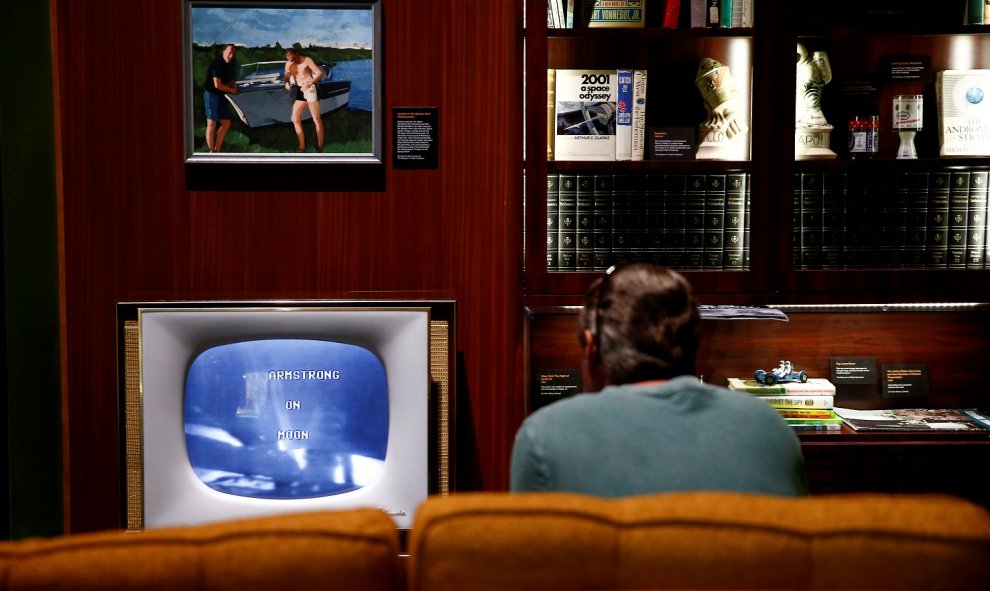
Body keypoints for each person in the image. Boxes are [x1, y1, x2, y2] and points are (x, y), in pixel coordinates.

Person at [510, 263, 808, 497]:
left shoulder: (544, 437)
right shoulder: (770, 429)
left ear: (591, 346)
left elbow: (536, 567)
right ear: (693, 342)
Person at [283, 48, 325, 152]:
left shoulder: (307, 60)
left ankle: (320, 145)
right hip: (300, 90)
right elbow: (287, 76)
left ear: (297, 54)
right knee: (295, 119)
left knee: (316, 119)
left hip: (310, 89)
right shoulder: (288, 64)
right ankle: (302, 146)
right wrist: (286, 83)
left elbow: (320, 73)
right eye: (290, 60)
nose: (292, 61)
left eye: (294, 59)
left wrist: (309, 83)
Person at [203, 44, 240, 153]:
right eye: (229, 52)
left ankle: (217, 150)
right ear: (224, 52)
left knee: (226, 123)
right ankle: (211, 151)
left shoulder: (232, 64)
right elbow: (217, 85)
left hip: (222, 94)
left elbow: (232, 81)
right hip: (211, 94)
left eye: (233, 53)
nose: (231, 55)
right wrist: (232, 90)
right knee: (211, 123)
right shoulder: (217, 64)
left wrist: (231, 87)